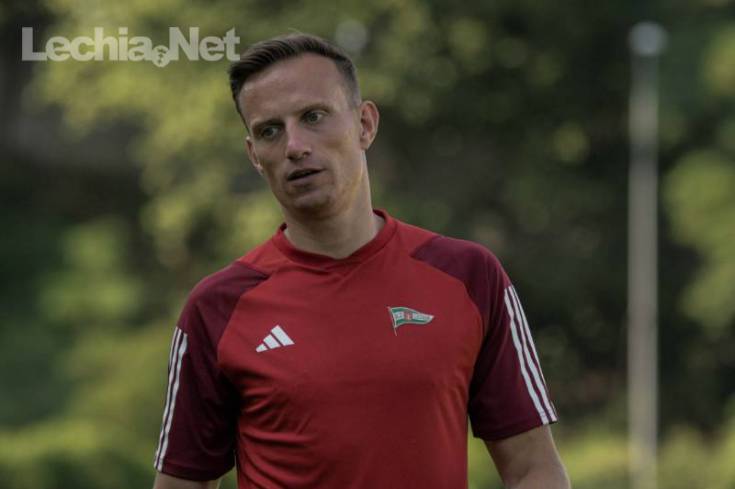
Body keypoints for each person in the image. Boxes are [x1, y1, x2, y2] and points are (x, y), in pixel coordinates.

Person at [151, 32, 570, 489]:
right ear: (254, 155)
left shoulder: (469, 277)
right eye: (270, 130)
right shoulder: (217, 307)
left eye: (313, 117)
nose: (295, 145)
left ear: (365, 124)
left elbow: (534, 470)